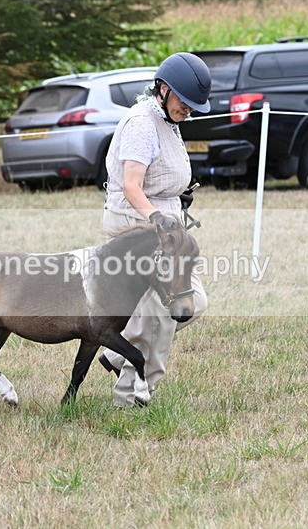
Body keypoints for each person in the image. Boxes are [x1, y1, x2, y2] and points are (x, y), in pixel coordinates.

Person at [97, 53, 212, 407]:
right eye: (184, 101)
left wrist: (178, 198)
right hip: (134, 228)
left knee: (195, 303)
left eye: (194, 105)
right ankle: (132, 394)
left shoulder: (168, 119)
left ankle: (116, 355)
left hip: (162, 231)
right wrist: (158, 218)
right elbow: (132, 186)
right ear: (162, 89)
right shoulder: (141, 123)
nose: (188, 109)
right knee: (163, 312)